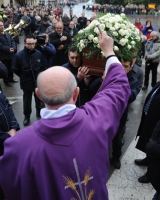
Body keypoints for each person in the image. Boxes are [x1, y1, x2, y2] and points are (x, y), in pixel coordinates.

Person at [0, 31, 130, 200]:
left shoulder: (18, 146)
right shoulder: (97, 119)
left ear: (38, 95)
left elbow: (11, 189)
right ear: (76, 94)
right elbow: (119, 86)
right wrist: (109, 52)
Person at [112, 59, 139, 169]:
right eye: (121, 66)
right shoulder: (110, 75)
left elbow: (132, 96)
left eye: (126, 66)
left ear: (130, 68)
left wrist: (122, 85)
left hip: (121, 115)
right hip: (108, 113)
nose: (122, 69)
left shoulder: (133, 80)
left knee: (118, 139)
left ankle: (116, 157)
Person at [12, 36, 44, 126]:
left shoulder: (38, 54)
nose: (31, 46)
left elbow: (41, 67)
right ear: (25, 44)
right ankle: (27, 116)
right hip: (26, 81)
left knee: (39, 97)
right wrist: (23, 76)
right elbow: (15, 69)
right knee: (27, 99)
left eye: (33, 44)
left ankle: (39, 111)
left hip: (37, 80)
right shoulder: (19, 55)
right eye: (29, 44)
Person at [0, 21, 17, 87]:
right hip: (3, 55)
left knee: (11, 68)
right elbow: (0, 46)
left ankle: (11, 78)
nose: (2, 27)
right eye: (0, 26)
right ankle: (6, 81)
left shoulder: (7, 33)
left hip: (10, 54)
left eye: (2, 25)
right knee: (5, 68)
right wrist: (8, 49)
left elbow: (12, 41)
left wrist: (13, 48)